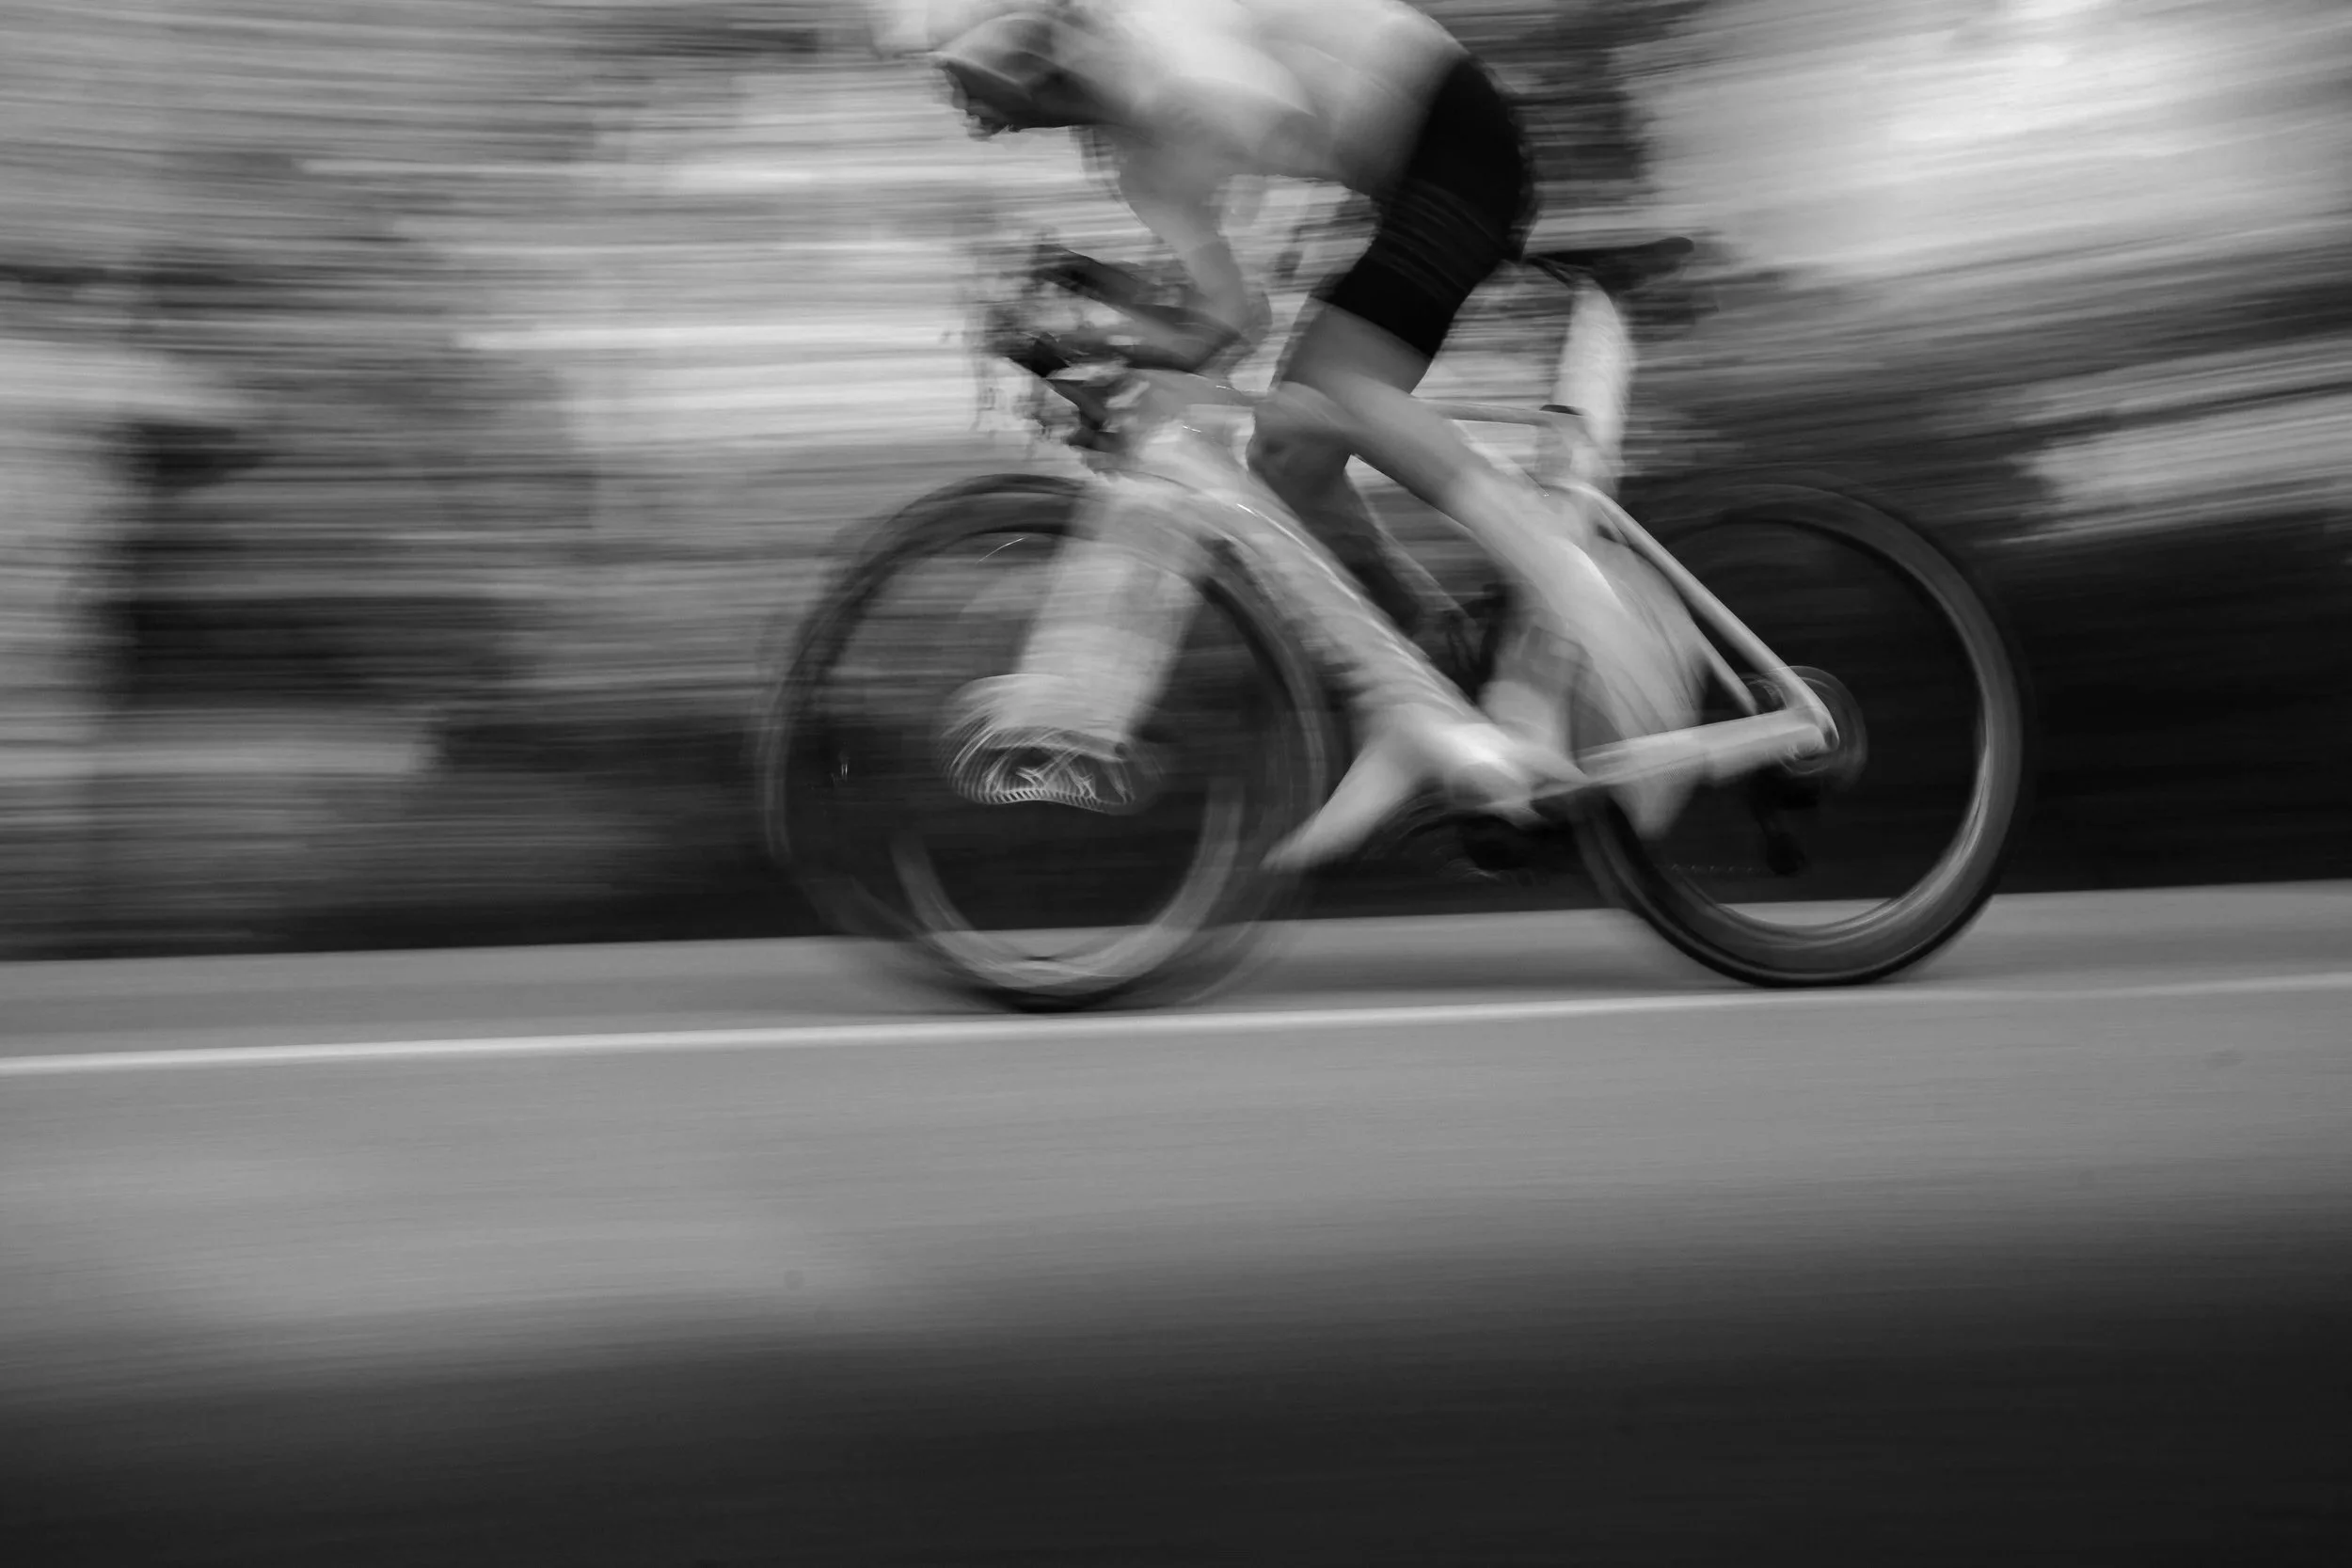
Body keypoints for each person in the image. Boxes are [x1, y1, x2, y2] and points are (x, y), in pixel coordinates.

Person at [888, 0, 1699, 863]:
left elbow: (1259, 178)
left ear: (1017, 41)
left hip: (1450, 131)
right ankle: (1436, 683)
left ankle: (1578, 588)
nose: (968, 116)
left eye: (961, 78)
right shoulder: (1139, 159)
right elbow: (1226, 321)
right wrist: (1093, 346)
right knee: (1286, 457)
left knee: (1340, 388)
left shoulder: (1163, 43)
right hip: (1391, 175)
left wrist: (1145, 330)